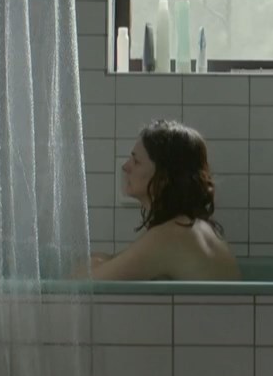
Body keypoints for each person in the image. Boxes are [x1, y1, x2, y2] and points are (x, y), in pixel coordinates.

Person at [78, 119, 240, 281]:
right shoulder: (193, 228)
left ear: (163, 178)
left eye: (136, 161)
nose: (125, 167)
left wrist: (89, 265)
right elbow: (118, 260)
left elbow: (87, 280)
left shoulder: (170, 236)